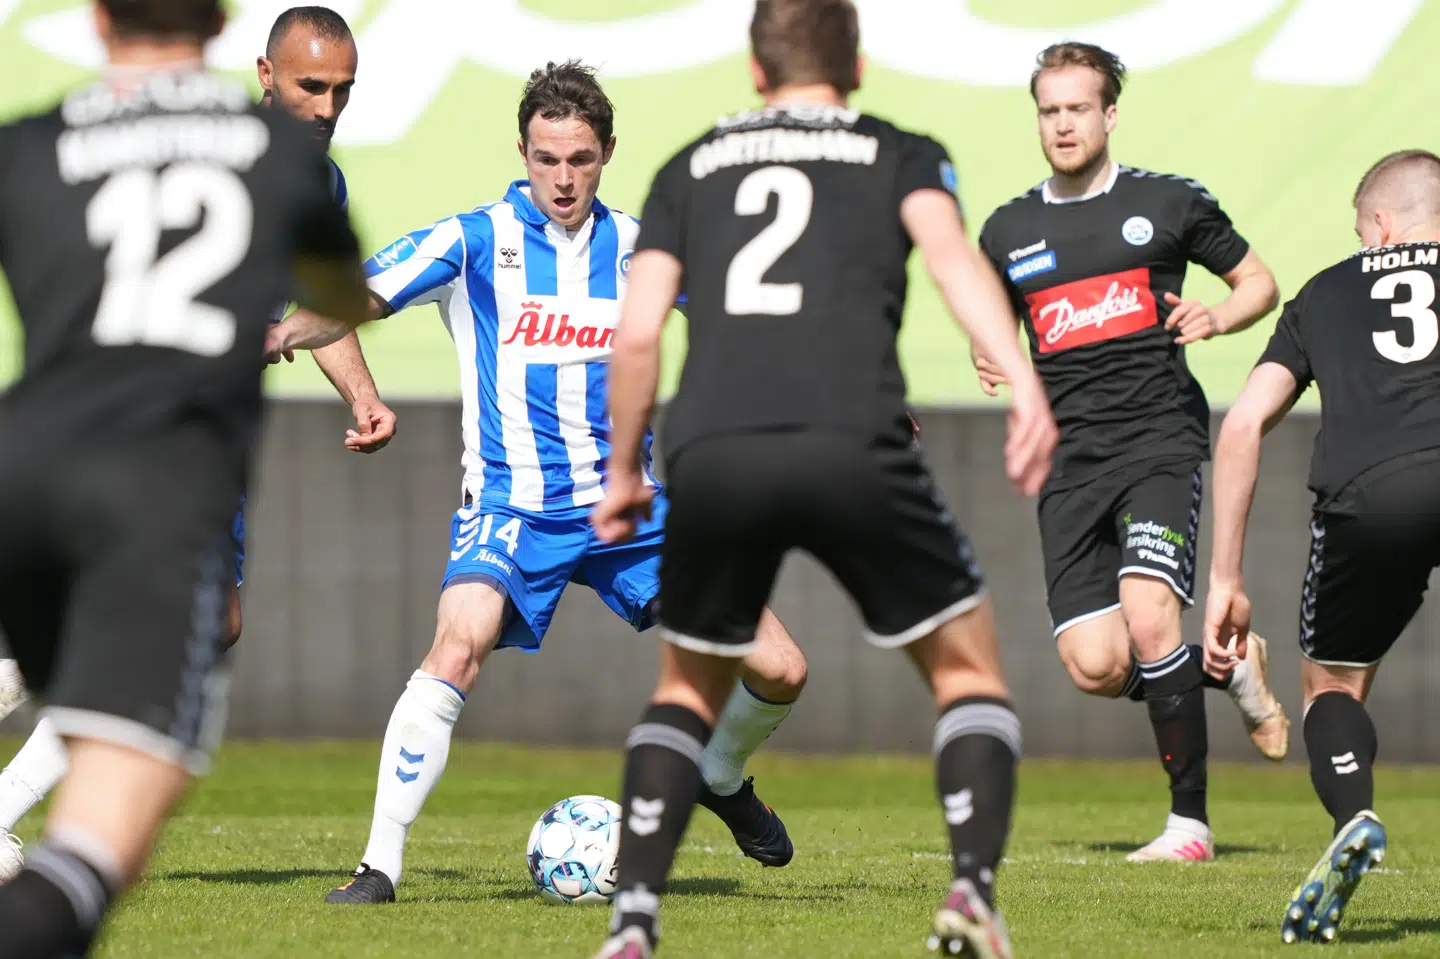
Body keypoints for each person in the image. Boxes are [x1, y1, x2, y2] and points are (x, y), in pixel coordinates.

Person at [265, 60, 810, 906]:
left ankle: (720, 774)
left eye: (581, 159)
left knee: (780, 667)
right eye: (547, 159)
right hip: (514, 508)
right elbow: (358, 295)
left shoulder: (642, 247)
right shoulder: (475, 239)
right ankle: (378, 866)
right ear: (522, 151)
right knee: (456, 645)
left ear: (608, 153)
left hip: (631, 508)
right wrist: (278, 335)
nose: (563, 178)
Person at [586, 1, 1058, 956]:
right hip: (855, 435)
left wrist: (624, 466)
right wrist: (1023, 383)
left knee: (685, 690)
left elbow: (636, 332)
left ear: (756, 74)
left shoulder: (688, 167)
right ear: (859, 67)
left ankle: (633, 920)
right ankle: (971, 893)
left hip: (716, 443)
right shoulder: (899, 151)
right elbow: (953, 258)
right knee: (967, 671)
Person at [0, 0, 369, 952]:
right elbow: (333, 299)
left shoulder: (32, 145)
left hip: (34, 463)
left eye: (341, 90)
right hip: (165, 466)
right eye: (312, 86)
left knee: (117, 642)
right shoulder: (282, 165)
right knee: (118, 793)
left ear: (94, 19)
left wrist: (353, 388)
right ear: (230, 44)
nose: (326, 109)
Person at [973, 41, 1288, 863]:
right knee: (1094, 663)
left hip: (1158, 440)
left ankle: (1189, 825)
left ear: (1110, 114)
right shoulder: (1009, 229)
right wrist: (994, 353)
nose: (1063, 123)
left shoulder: (1169, 203)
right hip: (1068, 463)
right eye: (1050, 110)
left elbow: (1259, 282)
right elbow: (996, 322)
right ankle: (1226, 669)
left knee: (1152, 617)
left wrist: (1220, 316)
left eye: (1079, 108)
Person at [1204, 149, 1440, 944]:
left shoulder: (1328, 290)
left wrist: (1227, 577)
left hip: (1370, 496)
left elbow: (1241, 424)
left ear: (1378, 225)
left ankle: (1354, 814)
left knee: (1332, 686)